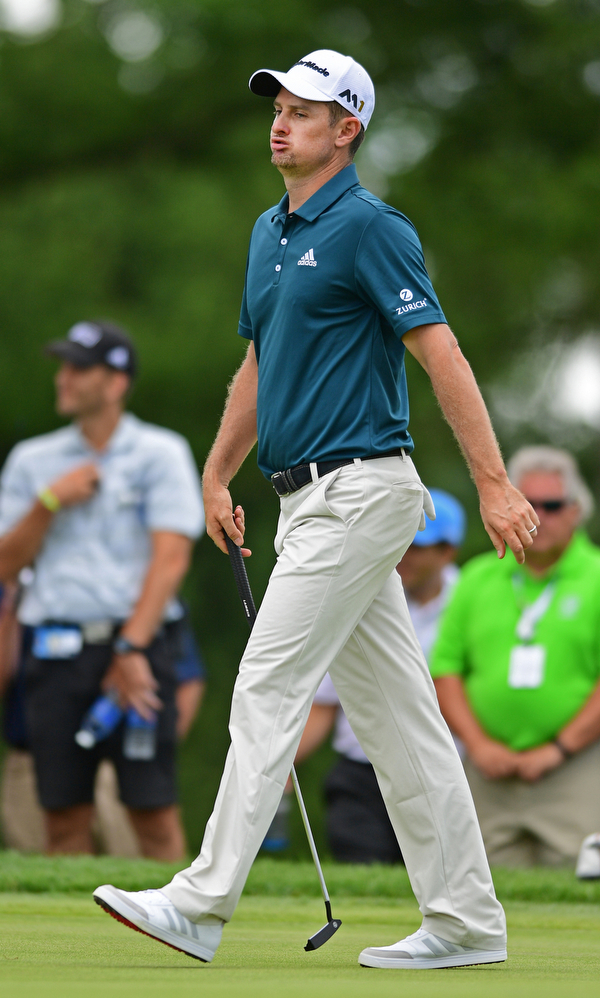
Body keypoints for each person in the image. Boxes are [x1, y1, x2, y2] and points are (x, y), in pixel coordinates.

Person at [94, 49, 538, 970]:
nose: (282, 121)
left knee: (266, 684)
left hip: (364, 489)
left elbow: (442, 354)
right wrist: (218, 476)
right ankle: (466, 921)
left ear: (348, 130)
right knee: (399, 721)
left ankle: (203, 902)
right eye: (278, 107)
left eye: (305, 110)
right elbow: (261, 367)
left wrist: (493, 482)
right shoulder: (269, 232)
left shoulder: (372, 227)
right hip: (305, 501)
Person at [0, 321, 204, 860]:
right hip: (53, 653)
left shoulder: (161, 453)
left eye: (78, 368)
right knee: (63, 815)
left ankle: (176, 931)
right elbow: (5, 564)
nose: (63, 378)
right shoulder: (33, 461)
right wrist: (49, 502)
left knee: (153, 813)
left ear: (115, 383)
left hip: (137, 651)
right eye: (63, 366)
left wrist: (131, 647)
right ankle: (74, 946)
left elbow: (171, 559)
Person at [265, 488, 465, 862]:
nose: (406, 555)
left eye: (420, 546)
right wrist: (279, 762)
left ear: (447, 552)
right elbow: (324, 703)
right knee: (362, 869)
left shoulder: (471, 602)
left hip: (442, 773)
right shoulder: (355, 587)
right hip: (360, 775)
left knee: (443, 879)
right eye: (403, 540)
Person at [431, 446, 600, 868]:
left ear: (577, 510)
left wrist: (558, 749)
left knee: (577, 884)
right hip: (489, 769)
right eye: (528, 504)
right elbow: (445, 669)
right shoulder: (477, 576)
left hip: (577, 765)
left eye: (553, 505)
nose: (539, 516)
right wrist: (479, 744)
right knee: (483, 887)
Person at [0, 596, 206, 856]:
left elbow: (189, 680)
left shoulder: (139, 586)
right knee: (51, 852)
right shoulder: (33, 589)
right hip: (33, 759)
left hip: (121, 766)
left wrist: (157, 751)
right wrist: (10, 605)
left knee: (143, 842)